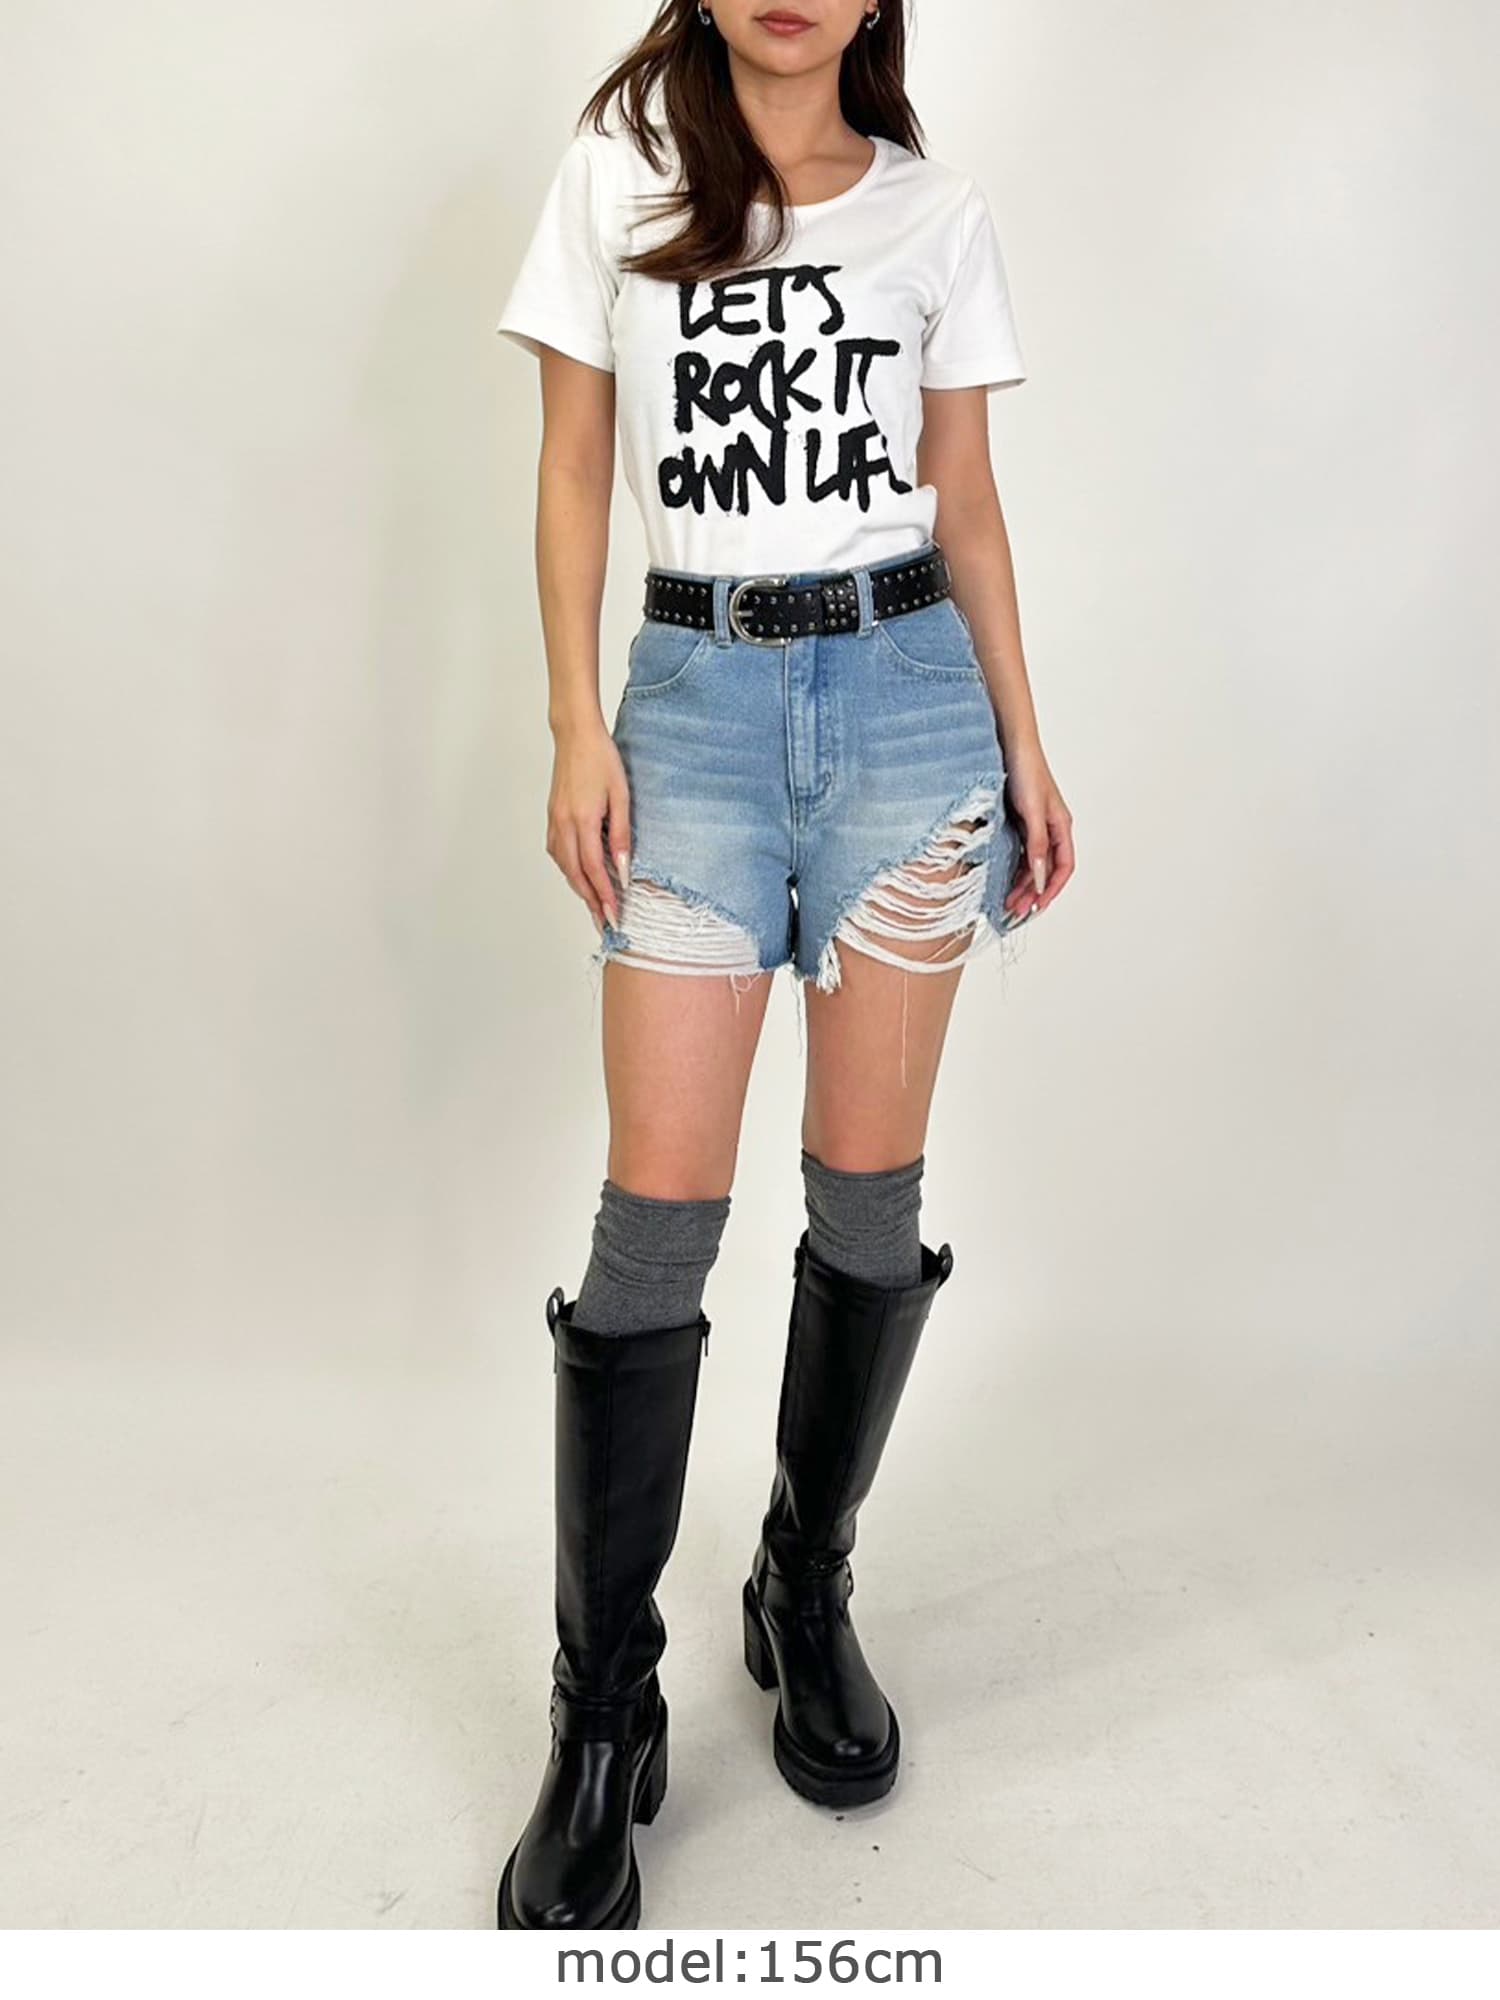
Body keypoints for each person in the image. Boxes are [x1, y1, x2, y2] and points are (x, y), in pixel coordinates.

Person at [492, 0, 1073, 1931]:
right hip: (696, 711)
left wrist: (1027, 745)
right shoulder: (618, 181)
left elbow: (965, 498)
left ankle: (801, 1585)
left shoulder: (934, 213)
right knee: (653, 1222)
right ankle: (602, 1707)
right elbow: (576, 462)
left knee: (867, 1199)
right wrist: (576, 726)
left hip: (909, 708)